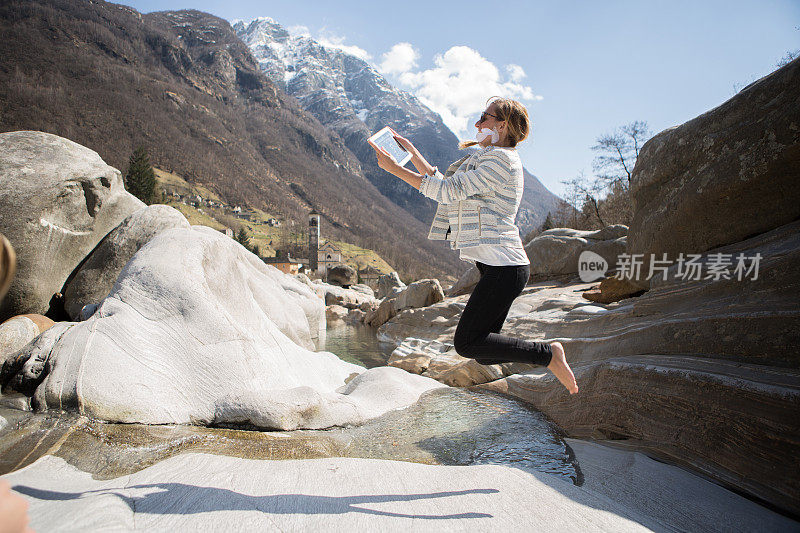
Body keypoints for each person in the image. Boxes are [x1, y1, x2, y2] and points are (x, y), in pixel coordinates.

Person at [369, 97, 578, 394]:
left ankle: (548, 354)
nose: (478, 124)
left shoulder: (500, 161)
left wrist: (395, 170)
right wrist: (412, 153)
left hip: (505, 268)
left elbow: (447, 192)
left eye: (484, 117)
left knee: (466, 342)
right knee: (480, 349)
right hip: (503, 268)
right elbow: (448, 184)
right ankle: (545, 355)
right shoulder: (489, 158)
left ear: (502, 125)